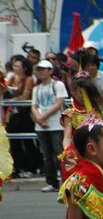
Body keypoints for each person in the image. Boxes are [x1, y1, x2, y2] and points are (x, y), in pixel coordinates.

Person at [31, 60, 68, 192]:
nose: (40, 71)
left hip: (56, 125)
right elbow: (34, 106)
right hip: (42, 126)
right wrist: (40, 119)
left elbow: (59, 104)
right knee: (46, 155)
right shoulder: (36, 88)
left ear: (50, 71)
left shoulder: (58, 85)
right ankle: (51, 182)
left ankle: (65, 182)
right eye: (38, 69)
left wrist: (42, 117)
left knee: (60, 154)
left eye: (43, 69)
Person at [5, 55, 38, 178]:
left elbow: (24, 96)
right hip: (14, 114)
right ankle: (18, 167)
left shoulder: (29, 79)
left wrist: (12, 98)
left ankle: (32, 167)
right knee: (13, 142)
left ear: (24, 68)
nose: (15, 68)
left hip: (25, 113)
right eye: (14, 65)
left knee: (28, 141)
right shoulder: (12, 77)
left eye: (17, 66)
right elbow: (4, 90)